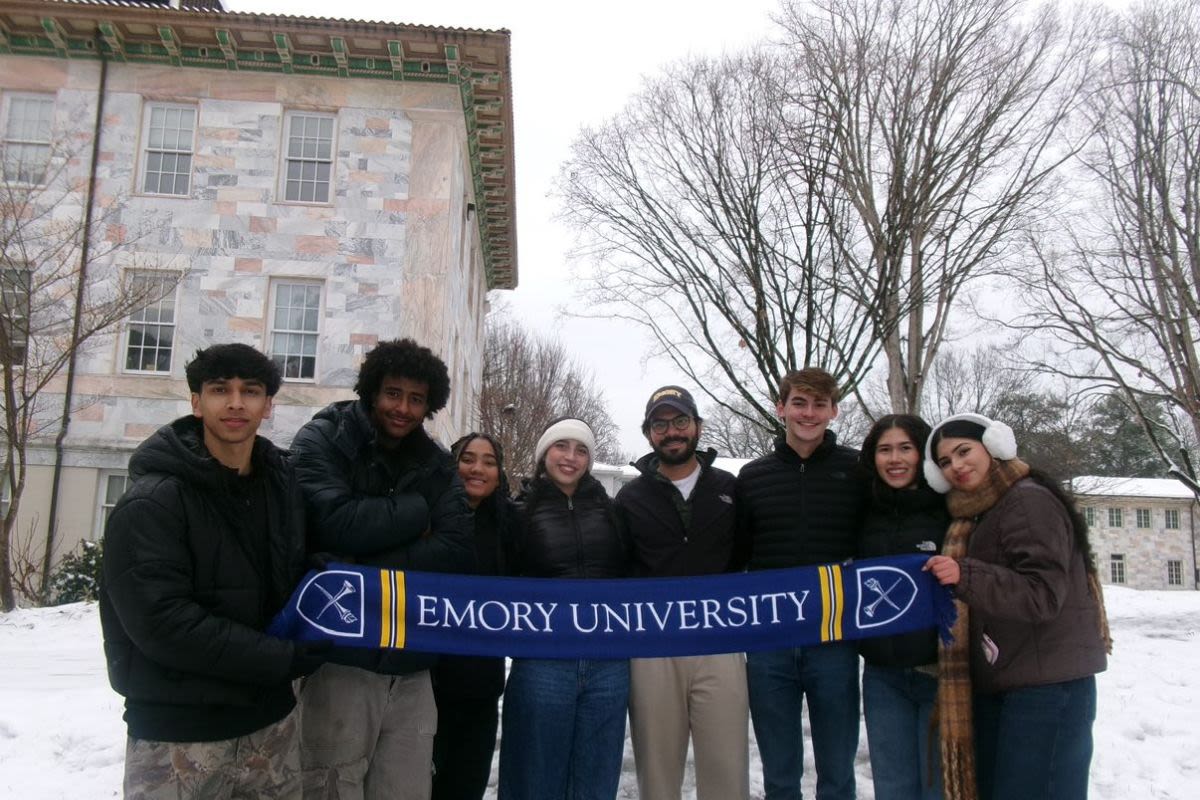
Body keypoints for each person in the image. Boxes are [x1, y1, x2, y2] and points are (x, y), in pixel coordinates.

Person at [99, 343, 322, 799]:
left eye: (251, 391)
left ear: (268, 405)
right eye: (221, 390)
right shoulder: (152, 501)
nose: (236, 403)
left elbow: (297, 578)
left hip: (271, 729)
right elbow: (163, 624)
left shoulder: (283, 489)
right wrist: (284, 660)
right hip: (180, 737)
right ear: (197, 402)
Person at [291, 338, 474, 800]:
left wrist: (354, 568)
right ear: (372, 390)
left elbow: (455, 549)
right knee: (330, 787)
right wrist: (416, 513)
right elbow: (333, 522)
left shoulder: (436, 463)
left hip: (412, 663)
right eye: (394, 393)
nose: (404, 409)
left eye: (417, 399)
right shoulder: (323, 438)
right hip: (339, 658)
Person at [923, 413, 1110, 800]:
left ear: (994, 446)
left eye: (963, 451)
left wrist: (964, 574)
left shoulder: (1027, 501)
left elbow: (1042, 594)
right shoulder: (982, 511)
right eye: (944, 462)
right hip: (1016, 681)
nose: (956, 466)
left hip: (1046, 688)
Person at [735, 367, 864, 800]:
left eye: (819, 404)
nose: (808, 414)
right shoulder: (752, 477)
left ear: (833, 411)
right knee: (779, 771)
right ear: (781, 407)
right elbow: (736, 554)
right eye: (799, 403)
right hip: (770, 642)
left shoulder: (858, 471)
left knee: (838, 770)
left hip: (834, 640)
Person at [615, 385, 749, 800]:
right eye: (660, 424)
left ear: (697, 426)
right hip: (654, 647)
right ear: (649, 433)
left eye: (679, 421)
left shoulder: (729, 487)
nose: (671, 432)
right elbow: (620, 566)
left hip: (719, 643)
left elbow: (748, 555)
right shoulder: (630, 497)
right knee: (657, 771)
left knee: (727, 768)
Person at [498, 418, 631, 800]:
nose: (570, 457)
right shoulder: (517, 512)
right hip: (543, 663)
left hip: (608, 665)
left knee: (596, 777)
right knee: (534, 777)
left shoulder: (612, 511)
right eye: (562, 446)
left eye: (581, 450)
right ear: (544, 453)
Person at [857, 415, 947, 800]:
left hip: (939, 674)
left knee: (937, 787)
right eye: (885, 449)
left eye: (905, 448)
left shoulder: (949, 511)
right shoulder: (861, 513)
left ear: (922, 453)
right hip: (882, 675)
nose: (895, 459)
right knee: (893, 788)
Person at [432, 432, 518, 800]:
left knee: (466, 786)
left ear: (500, 473)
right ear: (453, 465)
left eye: (489, 461)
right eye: (468, 459)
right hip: (426, 683)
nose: (478, 469)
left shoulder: (511, 526)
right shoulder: (425, 516)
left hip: (481, 685)